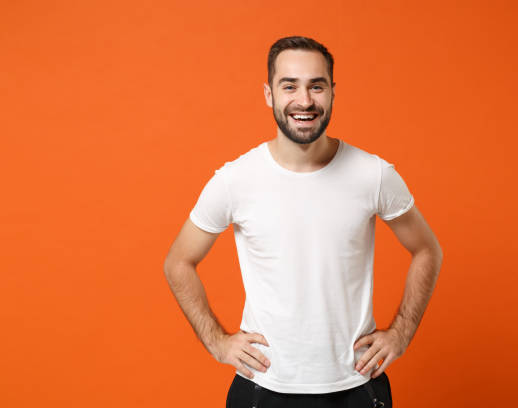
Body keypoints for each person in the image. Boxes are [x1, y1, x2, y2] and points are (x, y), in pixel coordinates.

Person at [164, 36, 443, 408]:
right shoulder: (235, 180)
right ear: (269, 94)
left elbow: (427, 249)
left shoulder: (373, 174)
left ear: (332, 92)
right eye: (289, 86)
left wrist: (401, 333)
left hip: (357, 385)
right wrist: (218, 342)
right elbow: (178, 262)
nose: (305, 100)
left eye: (317, 86)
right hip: (264, 389)